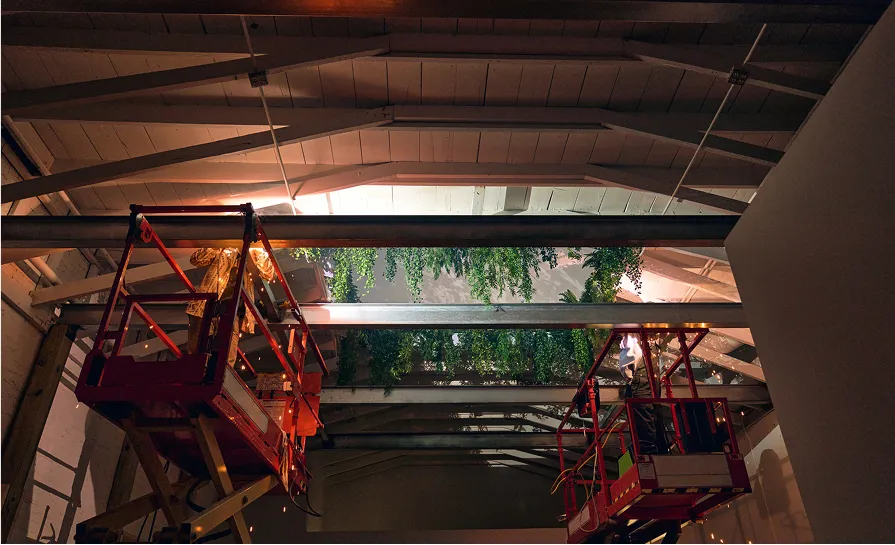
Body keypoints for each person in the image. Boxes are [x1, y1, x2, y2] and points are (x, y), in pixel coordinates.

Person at [186, 247, 275, 365]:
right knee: (197, 352)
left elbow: (268, 274)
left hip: (232, 312)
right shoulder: (223, 249)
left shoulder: (254, 254)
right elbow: (196, 259)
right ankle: (195, 376)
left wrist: (258, 250)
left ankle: (221, 380)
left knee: (227, 358)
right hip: (204, 307)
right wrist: (219, 243)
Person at [618, 334, 668, 454]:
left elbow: (626, 369)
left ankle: (649, 452)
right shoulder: (653, 343)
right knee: (654, 415)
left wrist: (629, 380)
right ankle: (660, 450)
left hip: (640, 382)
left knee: (644, 417)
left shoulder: (630, 341)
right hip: (651, 382)